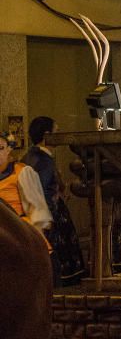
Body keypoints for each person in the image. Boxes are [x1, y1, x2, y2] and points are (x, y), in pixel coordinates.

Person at [23, 116, 85, 286]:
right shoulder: (44, 160)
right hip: (50, 216)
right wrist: (47, 216)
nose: (60, 135)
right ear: (47, 134)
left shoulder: (29, 156)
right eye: (57, 131)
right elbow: (39, 191)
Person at [0, 133, 51, 238]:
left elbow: (37, 209)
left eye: (1, 148)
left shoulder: (22, 172)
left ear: (9, 149)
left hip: (17, 232)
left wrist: (36, 236)